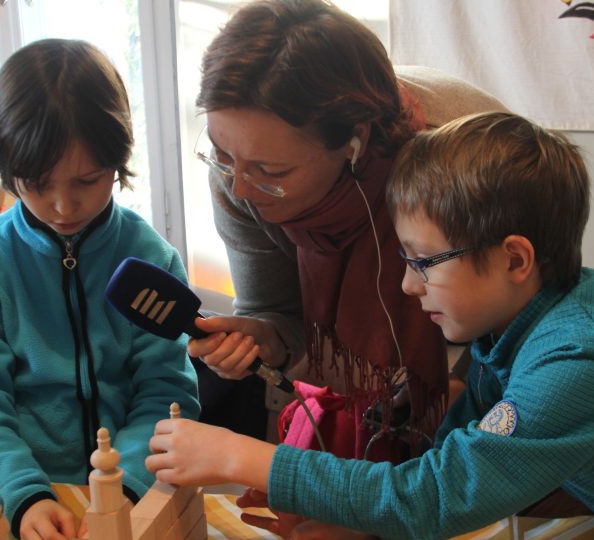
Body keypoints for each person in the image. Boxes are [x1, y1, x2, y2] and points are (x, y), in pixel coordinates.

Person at [146, 112, 594, 538]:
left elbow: (435, 496)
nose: (406, 284)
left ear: (514, 259)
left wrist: (243, 456)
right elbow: (455, 450)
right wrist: (351, 511)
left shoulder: (578, 363)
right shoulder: (517, 323)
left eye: (424, 263)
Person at [188, 0, 506, 453]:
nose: (239, 188)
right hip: (344, 403)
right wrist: (264, 338)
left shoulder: (464, 159)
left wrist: (458, 391)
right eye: (220, 153)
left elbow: (515, 320)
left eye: (272, 172)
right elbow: (279, 314)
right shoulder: (240, 167)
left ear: (353, 144)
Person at [0, 39, 200, 540]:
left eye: (87, 179)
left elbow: (165, 392)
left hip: (130, 493)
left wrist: (123, 488)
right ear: (2, 163)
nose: (62, 205)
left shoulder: (152, 259)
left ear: (119, 160)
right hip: (24, 496)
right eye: (36, 183)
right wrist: (23, 494)